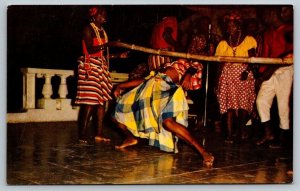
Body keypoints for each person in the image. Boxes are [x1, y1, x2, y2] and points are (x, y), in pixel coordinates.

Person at [111, 34, 214, 167]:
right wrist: (120, 86)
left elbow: (193, 68)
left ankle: (203, 151)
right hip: (151, 86)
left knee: (168, 123)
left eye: (200, 43)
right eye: (194, 41)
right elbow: (145, 80)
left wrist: (188, 74)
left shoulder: (196, 62)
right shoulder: (178, 59)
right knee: (116, 113)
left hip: (167, 87)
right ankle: (130, 137)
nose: (195, 44)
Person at [75, 6, 128, 145]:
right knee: (90, 102)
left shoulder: (103, 32)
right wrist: (110, 44)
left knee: (102, 102)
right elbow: (91, 49)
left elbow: (102, 53)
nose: (105, 17)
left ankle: (98, 133)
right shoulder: (88, 28)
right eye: (102, 14)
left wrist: (118, 55)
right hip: (89, 66)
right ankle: (82, 134)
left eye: (105, 14)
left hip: (101, 66)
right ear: (94, 15)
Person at [215, 12, 257, 143]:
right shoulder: (223, 43)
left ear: (238, 27)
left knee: (243, 105)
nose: (229, 28)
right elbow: (220, 65)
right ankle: (228, 134)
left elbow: (253, 59)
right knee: (229, 106)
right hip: (228, 76)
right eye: (227, 26)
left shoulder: (248, 40)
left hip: (244, 73)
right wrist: (217, 82)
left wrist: (247, 71)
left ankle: (241, 130)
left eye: (232, 26)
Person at [255, 7, 293, 148]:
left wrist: (270, 69)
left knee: (284, 105)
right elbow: (265, 54)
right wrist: (261, 74)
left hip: (285, 70)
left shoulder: (290, 29)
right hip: (270, 71)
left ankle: (284, 138)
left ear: (273, 13)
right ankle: (268, 133)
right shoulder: (267, 33)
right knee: (261, 101)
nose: (264, 17)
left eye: (265, 13)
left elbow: (291, 52)